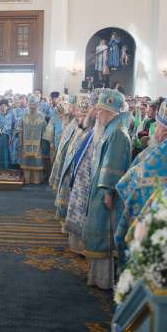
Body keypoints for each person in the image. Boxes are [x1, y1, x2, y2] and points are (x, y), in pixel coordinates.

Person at [114, 98, 167, 252]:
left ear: (166, 131)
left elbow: (127, 185)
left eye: (158, 125)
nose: (155, 129)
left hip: (144, 224)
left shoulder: (156, 154)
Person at [83, 89, 131, 289]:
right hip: (100, 189)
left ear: (111, 112)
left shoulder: (118, 133)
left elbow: (115, 165)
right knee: (97, 229)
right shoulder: (110, 128)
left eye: (101, 111)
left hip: (105, 192)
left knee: (104, 233)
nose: (98, 114)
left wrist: (108, 192)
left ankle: (104, 280)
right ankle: (97, 276)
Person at [62, 95, 98, 254]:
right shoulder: (87, 131)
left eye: (91, 109)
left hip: (87, 183)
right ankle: (76, 245)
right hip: (79, 181)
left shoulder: (97, 133)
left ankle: (83, 247)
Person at [16, 95, 47, 184]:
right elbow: (19, 127)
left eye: (34, 105)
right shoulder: (24, 115)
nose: (32, 107)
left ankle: (37, 180)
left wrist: (44, 143)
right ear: (28, 105)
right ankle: (27, 179)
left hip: (38, 144)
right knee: (26, 161)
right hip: (25, 142)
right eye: (31, 105)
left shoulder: (41, 116)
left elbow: (44, 131)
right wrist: (20, 140)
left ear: (37, 105)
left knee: (37, 162)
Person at [0, 99, 15, 170]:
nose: (3, 107)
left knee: (8, 151)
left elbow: (13, 126)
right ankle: (0, 167)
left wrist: (11, 136)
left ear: (7, 107)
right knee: (0, 151)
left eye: (5, 106)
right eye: (2, 106)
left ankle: (8, 166)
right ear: (0, 106)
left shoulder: (11, 114)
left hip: (8, 136)